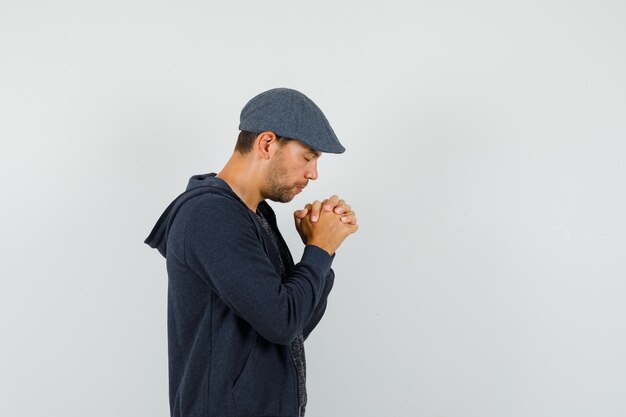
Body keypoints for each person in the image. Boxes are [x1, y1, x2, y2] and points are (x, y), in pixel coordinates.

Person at [144, 88, 359, 417]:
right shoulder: (210, 213)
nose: (314, 173)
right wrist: (320, 247)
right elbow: (282, 322)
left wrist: (322, 254)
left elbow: (295, 327)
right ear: (267, 143)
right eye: (308, 156)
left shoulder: (254, 214)